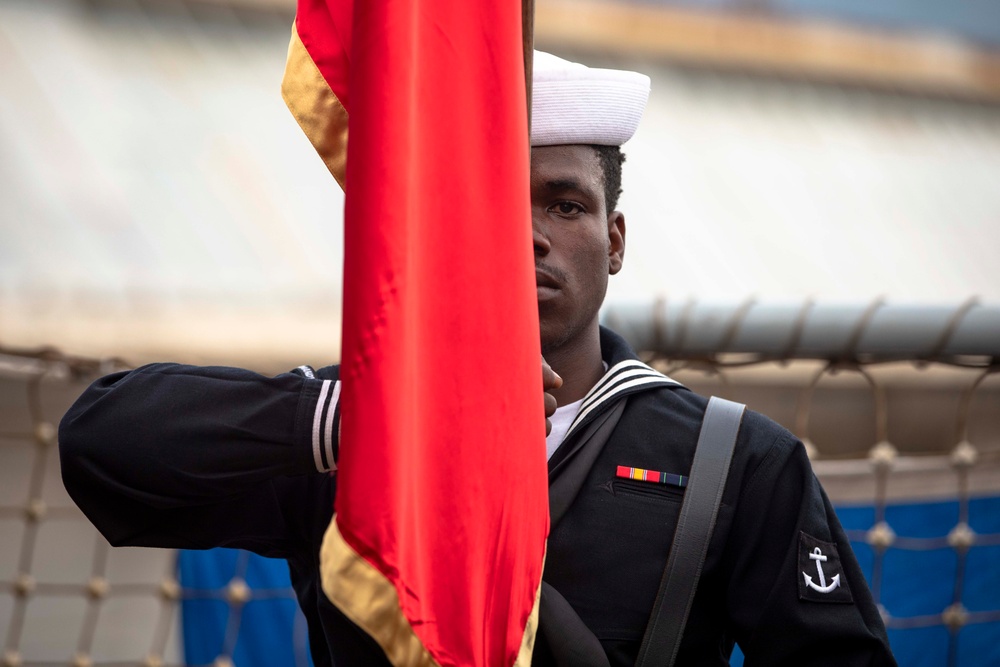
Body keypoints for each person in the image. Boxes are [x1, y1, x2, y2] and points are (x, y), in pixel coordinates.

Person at [59, 52, 896, 666]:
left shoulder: (737, 460)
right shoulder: (350, 428)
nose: (528, 232)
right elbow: (103, 446)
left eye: (565, 204)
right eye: (491, 198)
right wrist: (358, 421)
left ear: (614, 242)